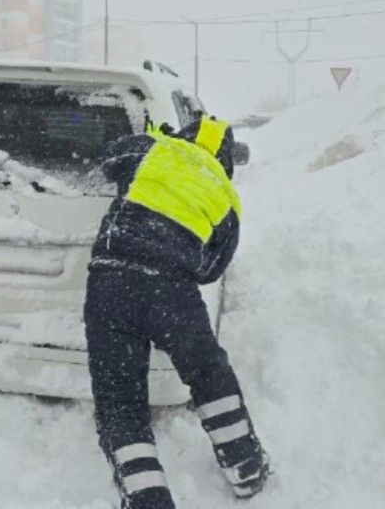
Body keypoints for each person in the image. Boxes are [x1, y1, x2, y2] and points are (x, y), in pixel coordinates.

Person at [84, 115, 269, 508]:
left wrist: (152, 141)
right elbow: (210, 270)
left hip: (109, 280)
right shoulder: (227, 197)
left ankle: (147, 498)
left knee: (119, 399)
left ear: (184, 135)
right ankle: (247, 467)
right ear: (225, 158)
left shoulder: (151, 149)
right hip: (170, 290)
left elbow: (108, 160)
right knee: (208, 374)